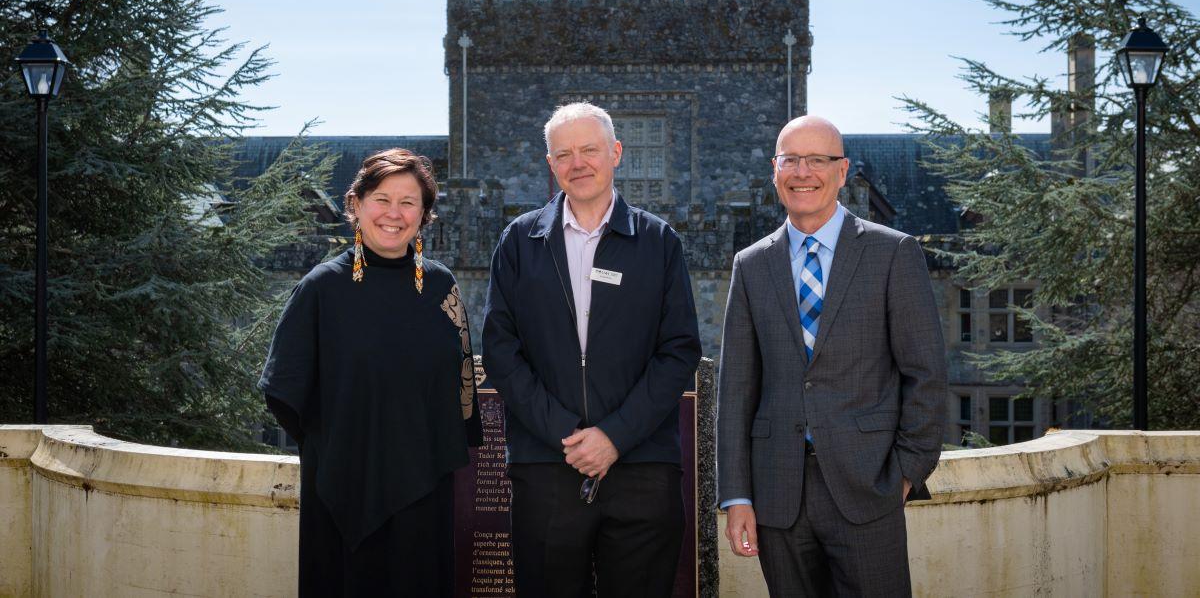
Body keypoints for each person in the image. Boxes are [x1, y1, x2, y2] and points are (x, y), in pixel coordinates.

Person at [716, 116, 947, 596]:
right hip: (778, 494)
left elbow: (925, 375)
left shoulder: (893, 253)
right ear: (774, 171)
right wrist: (737, 495)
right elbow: (736, 389)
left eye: (817, 160)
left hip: (868, 490)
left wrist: (905, 473)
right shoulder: (752, 264)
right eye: (791, 160)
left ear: (841, 172)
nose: (803, 172)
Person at [482, 102, 702, 597]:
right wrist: (566, 432)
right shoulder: (519, 242)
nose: (577, 163)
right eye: (564, 154)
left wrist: (614, 436)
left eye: (589, 150)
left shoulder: (658, 241)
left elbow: (679, 351)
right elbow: (500, 350)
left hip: (642, 469)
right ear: (550, 164)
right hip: (546, 468)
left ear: (616, 153)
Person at [258, 149, 482, 597]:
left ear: (424, 214)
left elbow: (461, 391)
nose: (394, 214)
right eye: (381, 199)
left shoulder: (443, 287)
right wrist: (345, 448)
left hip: (427, 492)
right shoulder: (321, 288)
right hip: (344, 495)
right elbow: (284, 392)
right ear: (356, 205)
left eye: (408, 202)